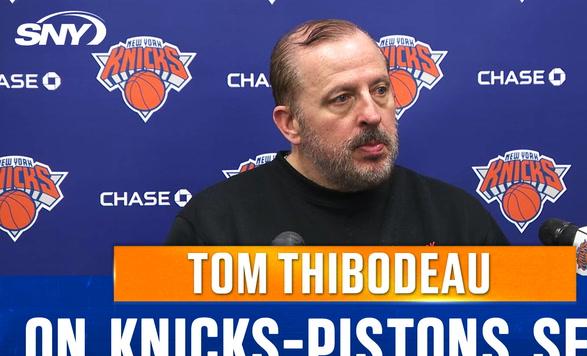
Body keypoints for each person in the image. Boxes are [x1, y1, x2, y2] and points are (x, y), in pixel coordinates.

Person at [166, 19, 508, 246]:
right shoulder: (215, 227)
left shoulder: (457, 220)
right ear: (290, 124)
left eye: (380, 90)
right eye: (342, 98)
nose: (372, 114)